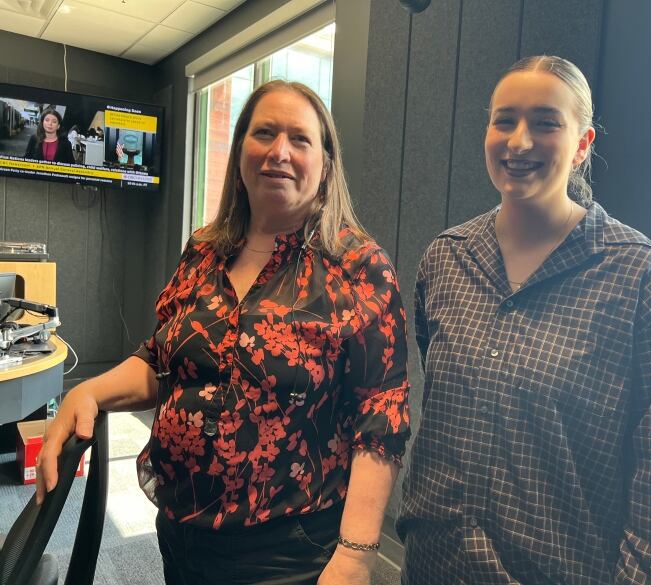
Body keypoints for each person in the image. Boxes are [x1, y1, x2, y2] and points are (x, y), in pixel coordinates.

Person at [36, 80, 411, 585]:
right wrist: (88, 389)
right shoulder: (205, 249)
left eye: (299, 139)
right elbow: (162, 359)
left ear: (325, 163)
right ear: (240, 153)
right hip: (181, 530)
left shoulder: (357, 268)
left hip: (288, 551)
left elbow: (380, 417)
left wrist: (358, 554)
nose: (279, 151)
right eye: (265, 133)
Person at [399, 55, 651, 584]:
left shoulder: (637, 275)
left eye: (546, 122)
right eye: (505, 120)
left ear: (583, 143)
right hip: (435, 565)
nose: (519, 142)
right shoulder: (445, 260)